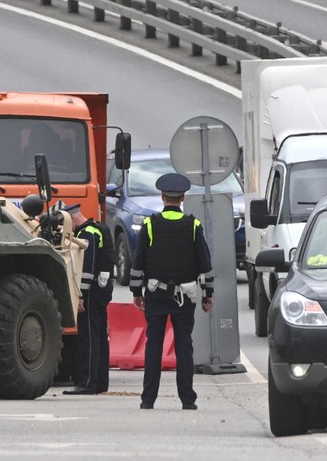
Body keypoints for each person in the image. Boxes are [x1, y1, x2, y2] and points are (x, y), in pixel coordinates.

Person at [130, 173, 214, 410]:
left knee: (153, 346)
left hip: (156, 294)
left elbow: (138, 262)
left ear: (162, 197)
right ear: (183, 198)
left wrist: (137, 292)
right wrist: (208, 294)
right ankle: (188, 400)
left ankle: (148, 400)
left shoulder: (149, 225)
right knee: (184, 347)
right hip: (185, 297)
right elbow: (205, 264)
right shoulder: (193, 226)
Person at [61, 203, 115, 395]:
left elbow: (87, 267)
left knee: (89, 336)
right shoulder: (97, 229)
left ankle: (87, 383)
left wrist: (81, 295)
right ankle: (100, 382)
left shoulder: (87, 233)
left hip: (91, 292)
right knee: (99, 335)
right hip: (101, 288)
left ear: (72, 219)